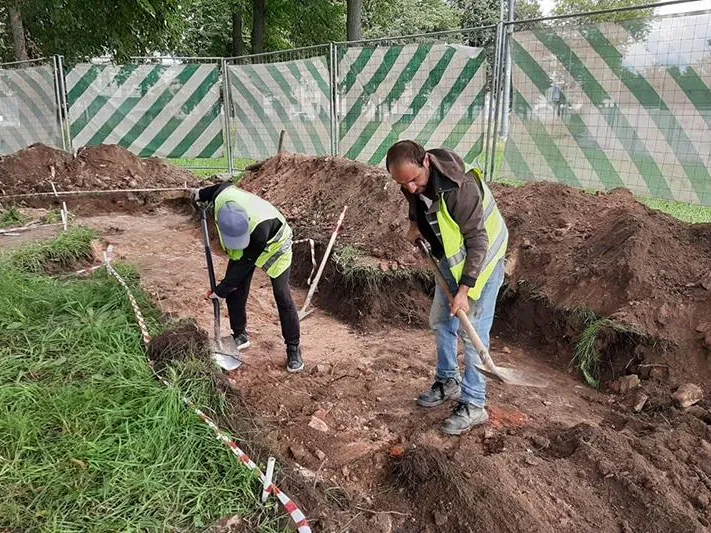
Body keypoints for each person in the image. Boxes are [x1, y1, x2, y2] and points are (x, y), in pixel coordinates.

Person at [386, 140, 508, 435]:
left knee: (472, 334)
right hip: (449, 261)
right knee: (441, 321)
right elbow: (415, 202)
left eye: (413, 180)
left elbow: (479, 242)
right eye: (403, 183)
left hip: (482, 264)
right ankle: (448, 380)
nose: (410, 188)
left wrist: (465, 290)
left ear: (426, 162)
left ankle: (474, 403)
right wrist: (414, 224)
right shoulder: (412, 181)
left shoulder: (459, 189)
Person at [192, 182, 304, 373]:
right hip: (246, 246)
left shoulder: (259, 231)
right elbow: (220, 188)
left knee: (282, 295)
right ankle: (240, 335)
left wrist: (220, 290)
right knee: (235, 290)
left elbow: (245, 264)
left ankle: (293, 348)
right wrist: (198, 194)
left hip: (276, 245)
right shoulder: (222, 199)